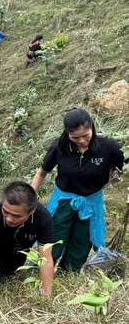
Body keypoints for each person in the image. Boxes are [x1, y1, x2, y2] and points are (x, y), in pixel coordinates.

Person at [31, 108, 125, 272]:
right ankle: (40, 270)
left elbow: (123, 167)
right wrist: (29, 198)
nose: (81, 141)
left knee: (82, 241)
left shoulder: (109, 147)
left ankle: (69, 271)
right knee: (54, 236)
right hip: (63, 201)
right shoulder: (59, 148)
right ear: (67, 133)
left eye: (85, 136)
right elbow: (41, 172)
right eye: (75, 137)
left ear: (92, 128)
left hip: (91, 202)